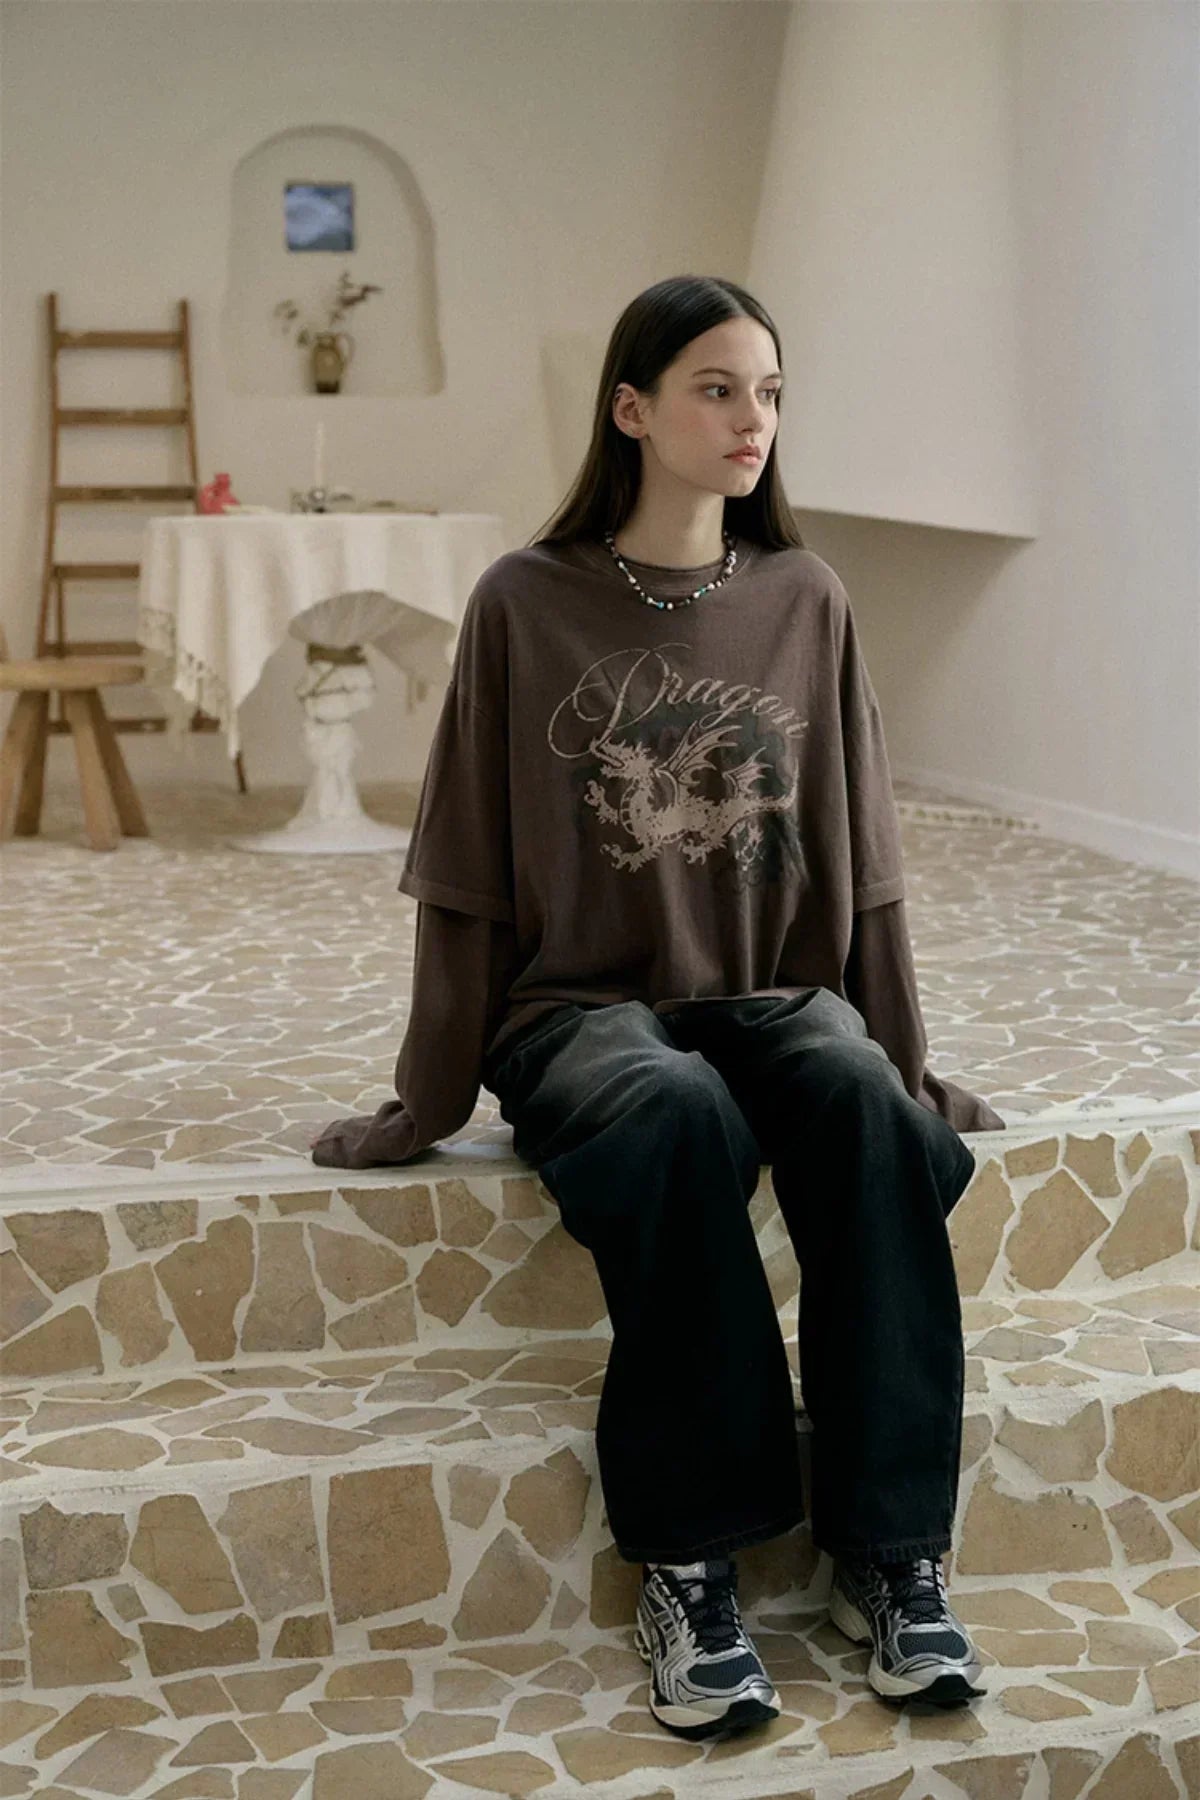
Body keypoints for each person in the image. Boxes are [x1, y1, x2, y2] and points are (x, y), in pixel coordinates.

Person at [311, 274, 1007, 1744]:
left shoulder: (806, 597)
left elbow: (864, 858)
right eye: (714, 389)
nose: (751, 420)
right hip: (580, 1010)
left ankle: (893, 1558)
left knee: (866, 1114)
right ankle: (693, 1566)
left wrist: (909, 1065)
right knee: (678, 1116)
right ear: (631, 409)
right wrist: (427, 1100)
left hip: (772, 991)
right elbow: (466, 876)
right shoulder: (524, 600)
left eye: (768, 392)